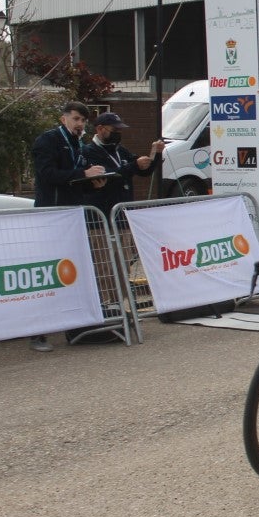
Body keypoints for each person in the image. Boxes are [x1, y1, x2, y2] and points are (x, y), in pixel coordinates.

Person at [29, 101, 108, 353]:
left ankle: (76, 326)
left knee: (75, 271)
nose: (80, 125)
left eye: (83, 121)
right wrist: (82, 175)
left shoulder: (78, 145)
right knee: (47, 274)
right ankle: (37, 333)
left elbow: (73, 180)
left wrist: (91, 183)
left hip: (73, 216)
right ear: (64, 119)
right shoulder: (47, 141)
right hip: (51, 216)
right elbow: (48, 175)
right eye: (76, 119)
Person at [82, 112, 165, 219]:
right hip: (101, 215)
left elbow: (144, 171)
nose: (118, 133)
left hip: (124, 213)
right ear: (100, 129)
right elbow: (108, 174)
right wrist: (134, 165)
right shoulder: (89, 151)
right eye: (115, 130)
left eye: (120, 130)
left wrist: (156, 154)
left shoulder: (120, 150)